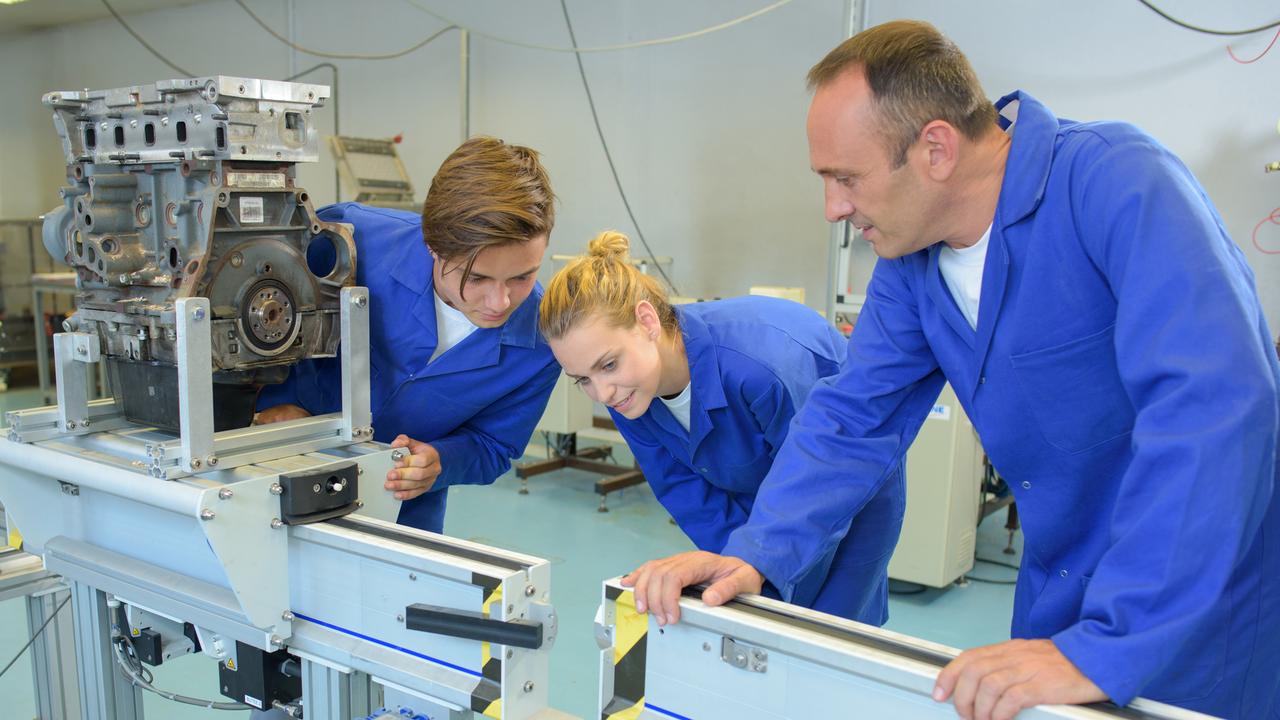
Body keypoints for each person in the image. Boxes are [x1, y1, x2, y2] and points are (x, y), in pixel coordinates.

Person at [620, 20, 1280, 720]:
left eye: (846, 178)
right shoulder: (915, 267)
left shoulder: (1117, 184)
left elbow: (1214, 410)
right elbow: (854, 418)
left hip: (1199, 612)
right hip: (1061, 607)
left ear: (935, 148)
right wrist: (753, 556)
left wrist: (1108, 644)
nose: (833, 209)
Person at [539, 231, 905, 624]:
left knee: (831, 632)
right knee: (757, 614)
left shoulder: (762, 367)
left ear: (646, 321)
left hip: (844, 488)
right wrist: (735, 569)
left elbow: (823, 484)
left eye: (608, 364)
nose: (602, 393)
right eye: (582, 380)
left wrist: (763, 569)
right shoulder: (629, 391)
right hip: (760, 492)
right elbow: (684, 490)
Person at [256, 136, 561, 534]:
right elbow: (255, 311)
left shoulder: (542, 340)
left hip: (401, 511)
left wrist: (440, 460)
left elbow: (495, 446)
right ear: (433, 246)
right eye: (477, 278)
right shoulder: (350, 241)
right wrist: (278, 401)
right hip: (274, 473)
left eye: (523, 276)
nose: (500, 301)